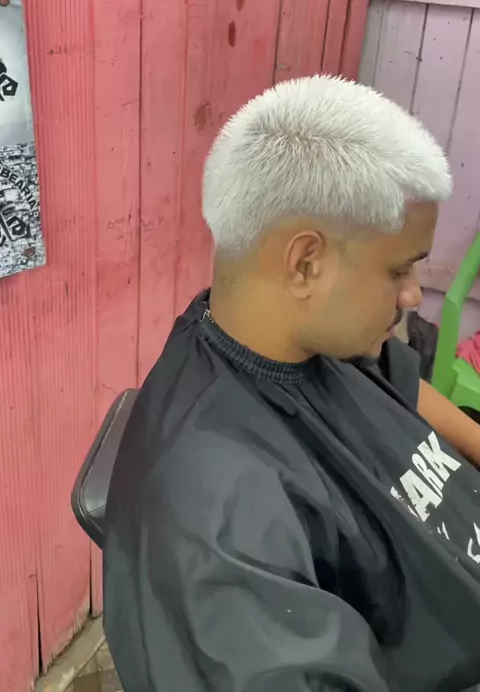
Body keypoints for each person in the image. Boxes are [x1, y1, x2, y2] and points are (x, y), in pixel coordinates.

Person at [103, 76, 480, 692]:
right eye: (399, 270)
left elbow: (404, 390)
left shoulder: (324, 338)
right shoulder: (219, 526)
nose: (414, 295)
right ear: (305, 263)